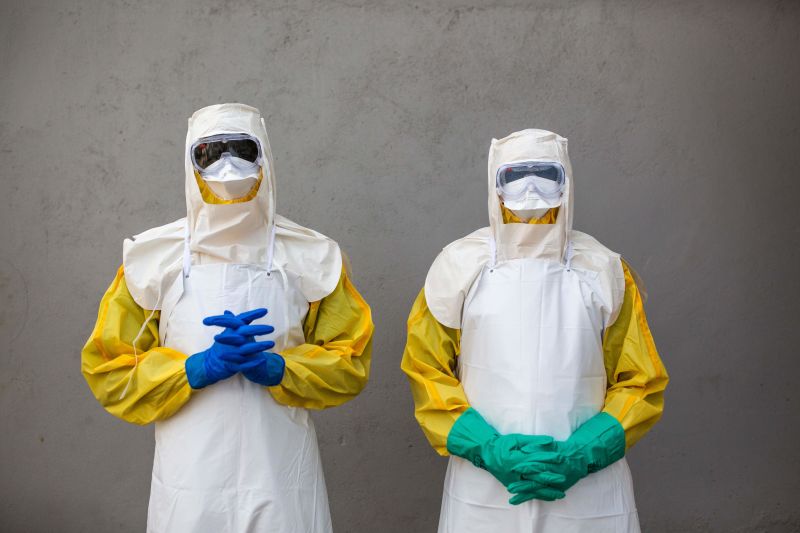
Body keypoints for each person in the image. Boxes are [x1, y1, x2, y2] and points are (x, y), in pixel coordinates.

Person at [82, 103, 374, 533]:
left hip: (281, 475)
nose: (227, 164)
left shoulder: (311, 256)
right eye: (210, 153)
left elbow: (349, 360)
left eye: (241, 149)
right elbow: (108, 368)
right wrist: (194, 369)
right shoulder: (153, 258)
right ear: (191, 160)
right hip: (189, 480)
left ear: (265, 157)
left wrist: (281, 369)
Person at [401, 129, 668, 532]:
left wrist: (584, 451)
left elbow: (640, 381)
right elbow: (427, 371)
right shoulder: (459, 267)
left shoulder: (603, 269)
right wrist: (486, 448)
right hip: (483, 489)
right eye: (515, 175)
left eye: (545, 174)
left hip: (587, 490)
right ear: (496, 181)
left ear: (566, 179)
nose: (530, 188)